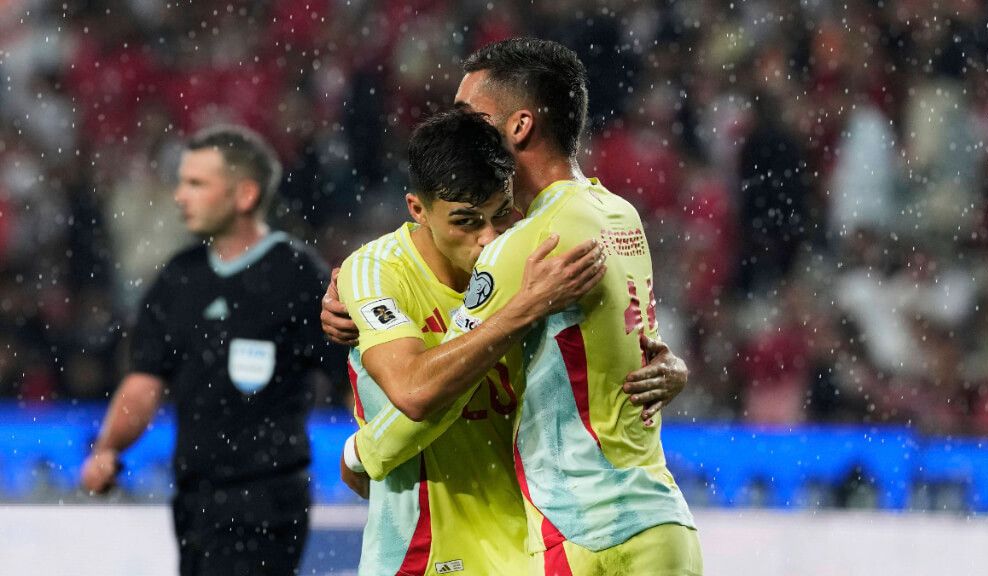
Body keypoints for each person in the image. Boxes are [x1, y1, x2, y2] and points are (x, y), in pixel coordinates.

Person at [339, 39, 703, 575]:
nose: (458, 127)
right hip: (660, 520)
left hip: (581, 535)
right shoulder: (619, 213)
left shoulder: (524, 247)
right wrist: (672, 368)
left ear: (519, 126)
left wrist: (359, 454)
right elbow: (627, 341)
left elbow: (421, 392)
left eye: (471, 115)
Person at [335, 105, 608, 574]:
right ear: (417, 209)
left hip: (529, 552)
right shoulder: (374, 270)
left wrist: (666, 369)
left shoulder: (531, 257)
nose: (487, 239)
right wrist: (523, 311)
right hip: (419, 557)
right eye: (465, 222)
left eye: (500, 214)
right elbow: (414, 392)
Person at [80, 125, 342, 576]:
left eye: (196, 183)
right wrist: (107, 449)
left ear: (244, 194)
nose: (180, 195)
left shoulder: (297, 276)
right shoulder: (178, 279)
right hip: (194, 497)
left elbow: (350, 373)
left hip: (268, 499)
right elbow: (144, 380)